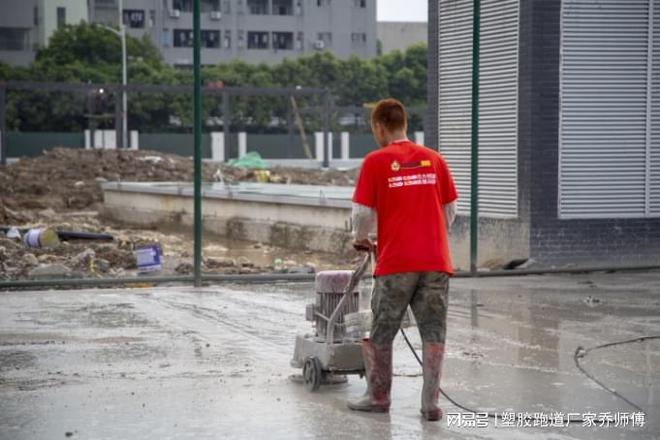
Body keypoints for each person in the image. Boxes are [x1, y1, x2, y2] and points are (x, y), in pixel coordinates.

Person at [347, 98, 457, 421]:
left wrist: (360, 238)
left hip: (396, 262)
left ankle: (378, 397)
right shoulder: (435, 160)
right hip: (436, 262)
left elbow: (362, 214)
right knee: (434, 332)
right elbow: (449, 212)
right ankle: (430, 405)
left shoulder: (375, 162)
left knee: (383, 330)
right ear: (404, 124)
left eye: (374, 129)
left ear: (379, 126)